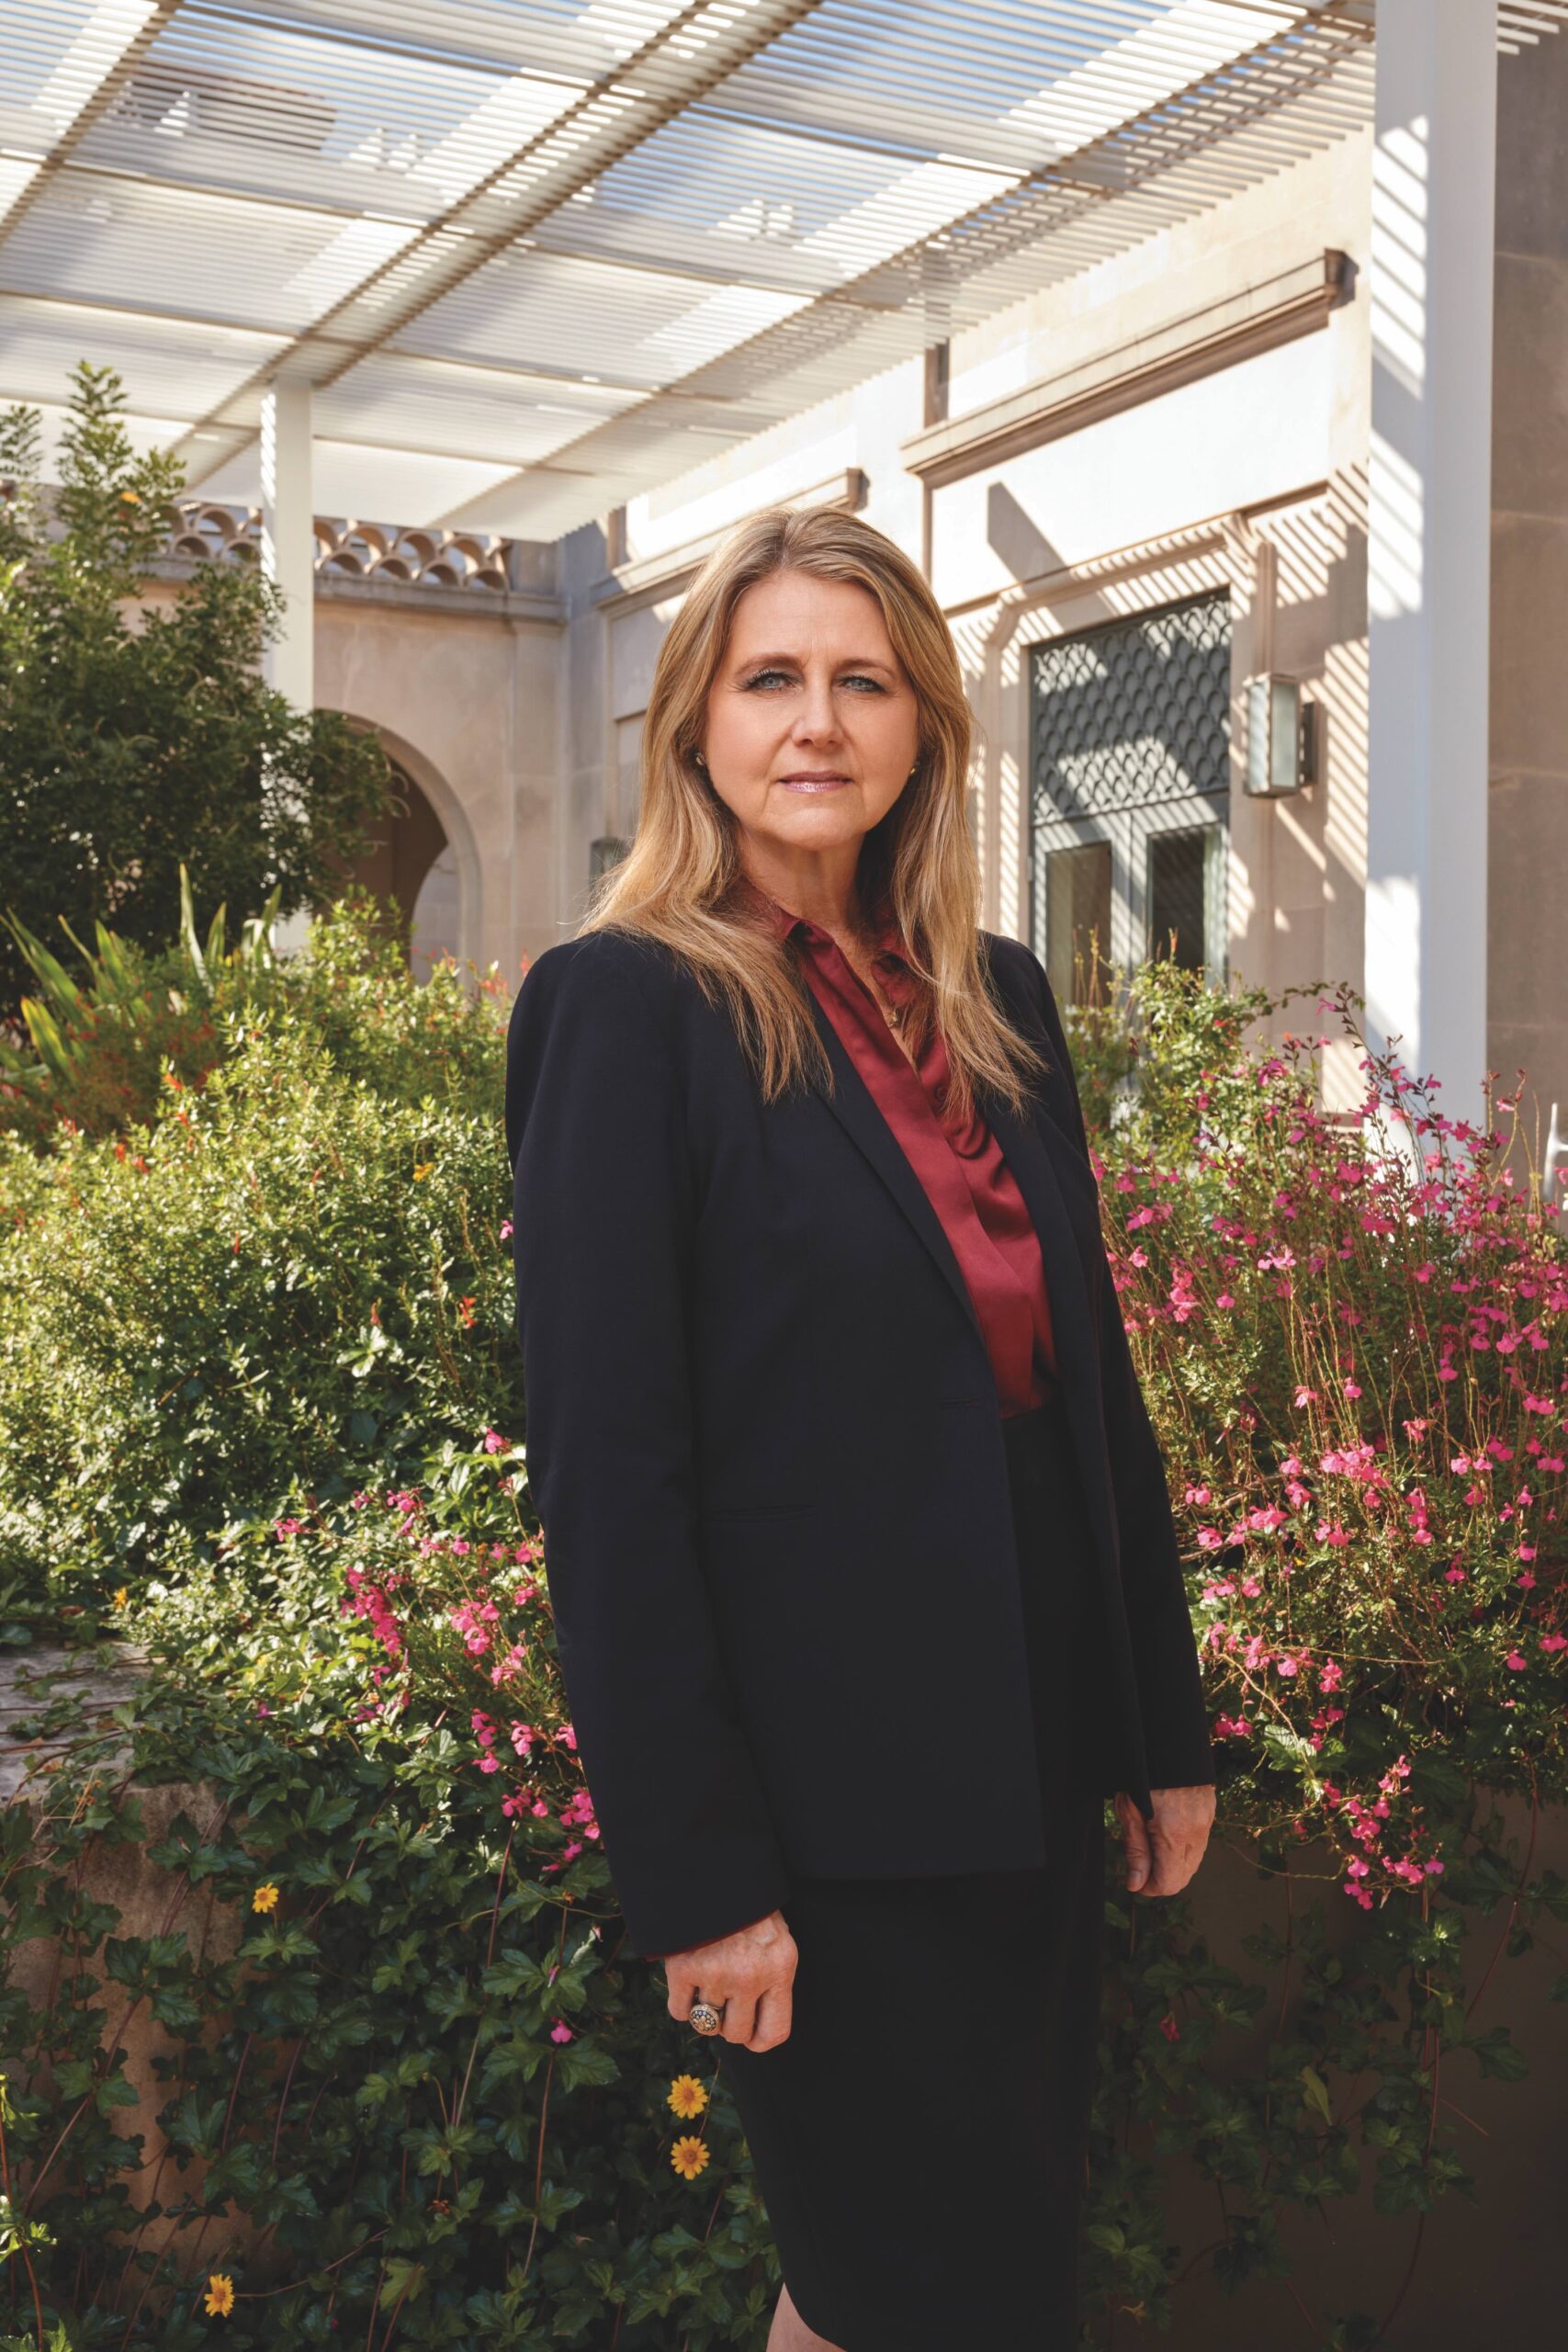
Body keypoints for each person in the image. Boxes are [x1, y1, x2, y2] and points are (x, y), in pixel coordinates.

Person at [505, 504, 1215, 2350]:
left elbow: (1092, 1401)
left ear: (918, 727)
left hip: (1034, 1770)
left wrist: (1158, 1721)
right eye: (768, 680)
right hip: (824, 1816)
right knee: (910, 2279)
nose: (814, 721)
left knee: (945, 2274)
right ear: (695, 726)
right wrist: (700, 1874)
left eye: (858, 679)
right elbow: (610, 1474)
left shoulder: (1000, 1004)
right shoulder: (625, 1006)